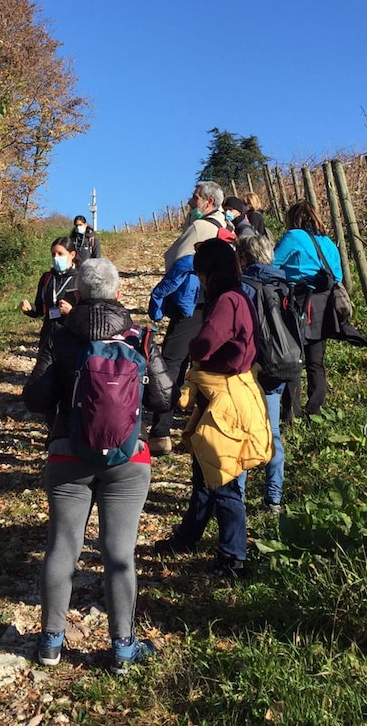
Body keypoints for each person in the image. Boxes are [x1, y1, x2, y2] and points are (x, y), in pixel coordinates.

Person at [22, 258, 173, 675]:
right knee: (119, 552)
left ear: (80, 294)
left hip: (68, 453)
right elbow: (163, 397)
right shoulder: (140, 336)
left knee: (62, 546)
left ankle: (51, 642)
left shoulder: (59, 333)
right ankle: (123, 648)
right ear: (119, 293)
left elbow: (34, 397)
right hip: (129, 456)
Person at [153, 239, 271, 578]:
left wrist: (192, 344)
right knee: (205, 475)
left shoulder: (226, 302)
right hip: (228, 393)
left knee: (224, 476)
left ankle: (234, 557)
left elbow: (205, 344)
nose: (199, 280)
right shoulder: (240, 296)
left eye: (201, 274)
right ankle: (188, 538)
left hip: (225, 398)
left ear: (209, 273)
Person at [272, 201, 343, 422]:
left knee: (293, 357)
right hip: (324, 304)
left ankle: (291, 412)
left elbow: (272, 263)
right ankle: (315, 411)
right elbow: (338, 276)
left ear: (293, 218)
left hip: (298, 302)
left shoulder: (293, 236)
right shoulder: (328, 243)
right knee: (316, 361)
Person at [237, 234, 289, 512]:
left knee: (244, 433)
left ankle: (238, 498)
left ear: (244, 258)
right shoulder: (284, 283)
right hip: (281, 364)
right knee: (273, 432)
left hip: (251, 367)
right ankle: (274, 497)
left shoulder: (244, 287)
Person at [146, 244, 203, 456]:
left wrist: (157, 310)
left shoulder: (192, 256)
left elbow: (166, 286)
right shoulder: (230, 255)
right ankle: (202, 434)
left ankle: (161, 433)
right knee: (209, 371)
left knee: (169, 368)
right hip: (218, 312)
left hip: (186, 315)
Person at [20, 237, 80, 357]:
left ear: (72, 254)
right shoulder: (47, 278)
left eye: (60, 254)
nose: (56, 258)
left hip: (72, 339)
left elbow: (89, 314)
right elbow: (39, 309)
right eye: (53, 254)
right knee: (43, 374)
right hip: (48, 338)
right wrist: (28, 309)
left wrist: (72, 312)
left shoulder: (81, 278)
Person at [163, 181, 227, 270]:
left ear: (209, 201)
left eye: (195, 198)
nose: (189, 202)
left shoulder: (199, 226)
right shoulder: (227, 224)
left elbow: (176, 259)